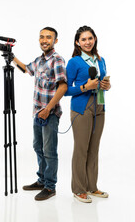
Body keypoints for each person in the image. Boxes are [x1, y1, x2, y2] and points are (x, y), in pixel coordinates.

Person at [12, 27, 67, 201]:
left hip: (49, 114)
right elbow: (27, 69)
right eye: (42, 37)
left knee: (49, 151)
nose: (44, 40)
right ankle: (42, 180)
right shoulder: (40, 60)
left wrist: (48, 109)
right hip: (37, 112)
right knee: (38, 147)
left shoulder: (57, 60)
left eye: (48, 37)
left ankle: (50, 187)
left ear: (55, 41)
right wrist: (11, 57)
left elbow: (63, 86)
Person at [65, 25, 111, 203]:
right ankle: (78, 189)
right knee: (81, 149)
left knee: (94, 148)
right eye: (83, 39)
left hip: (99, 105)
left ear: (95, 39)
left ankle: (92, 186)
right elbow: (65, 89)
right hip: (81, 108)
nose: (87, 42)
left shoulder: (101, 60)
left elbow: (102, 81)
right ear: (77, 42)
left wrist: (106, 85)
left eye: (90, 38)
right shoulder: (74, 62)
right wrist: (85, 87)